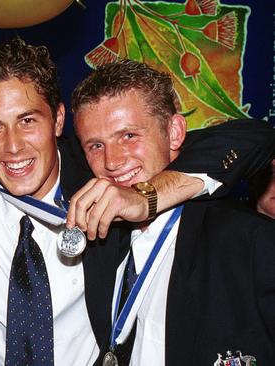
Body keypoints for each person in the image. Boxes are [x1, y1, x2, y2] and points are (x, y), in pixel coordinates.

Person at [0, 38, 275, 365]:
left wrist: (145, 198)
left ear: (58, 120)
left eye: (27, 120)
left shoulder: (99, 185)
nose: (12, 146)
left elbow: (254, 139)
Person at [71, 59, 275, 365]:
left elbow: (257, 136)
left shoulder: (249, 242)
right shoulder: (99, 237)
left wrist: (147, 197)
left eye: (129, 136)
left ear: (176, 133)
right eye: (96, 146)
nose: (112, 161)